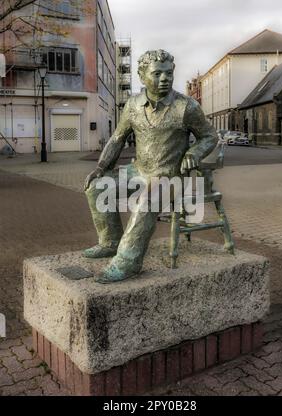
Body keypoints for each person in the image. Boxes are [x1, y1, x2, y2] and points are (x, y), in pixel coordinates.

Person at [84, 49, 218, 283]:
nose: (164, 78)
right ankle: (110, 241)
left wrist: (194, 152)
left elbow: (210, 136)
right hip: (139, 171)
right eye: (157, 74)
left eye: (168, 74)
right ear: (141, 75)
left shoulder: (186, 107)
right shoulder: (133, 106)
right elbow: (117, 138)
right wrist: (101, 167)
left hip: (171, 177)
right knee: (96, 186)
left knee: (145, 201)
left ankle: (128, 261)